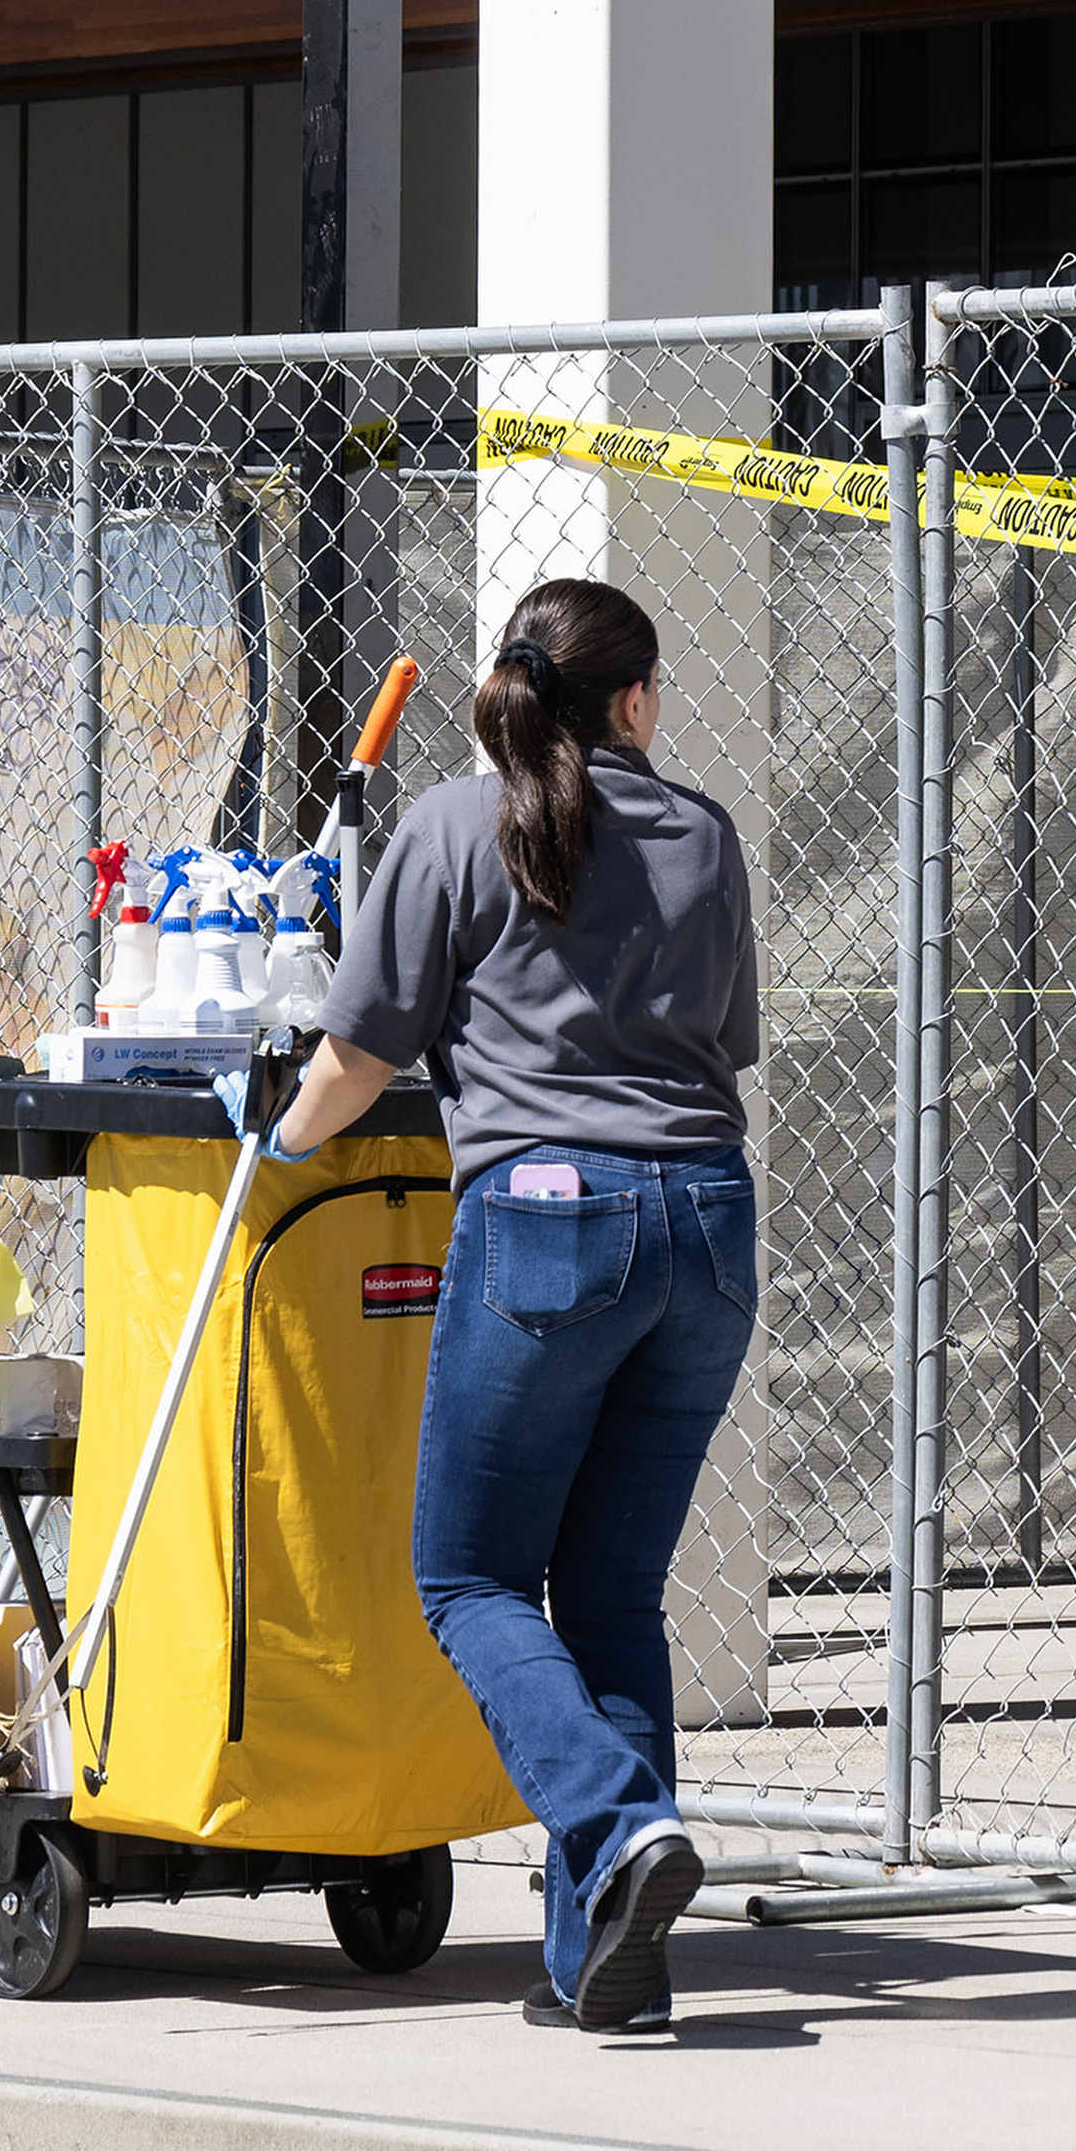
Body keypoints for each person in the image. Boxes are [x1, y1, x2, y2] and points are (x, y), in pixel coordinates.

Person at [255, 575, 761, 2040]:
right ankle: (606, 1956)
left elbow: (351, 1067)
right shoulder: (704, 835)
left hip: (546, 1230)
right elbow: (720, 1040)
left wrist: (278, 1142)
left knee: (467, 1579)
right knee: (612, 1594)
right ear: (634, 701)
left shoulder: (447, 830)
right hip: (708, 1229)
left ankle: (616, 1823)